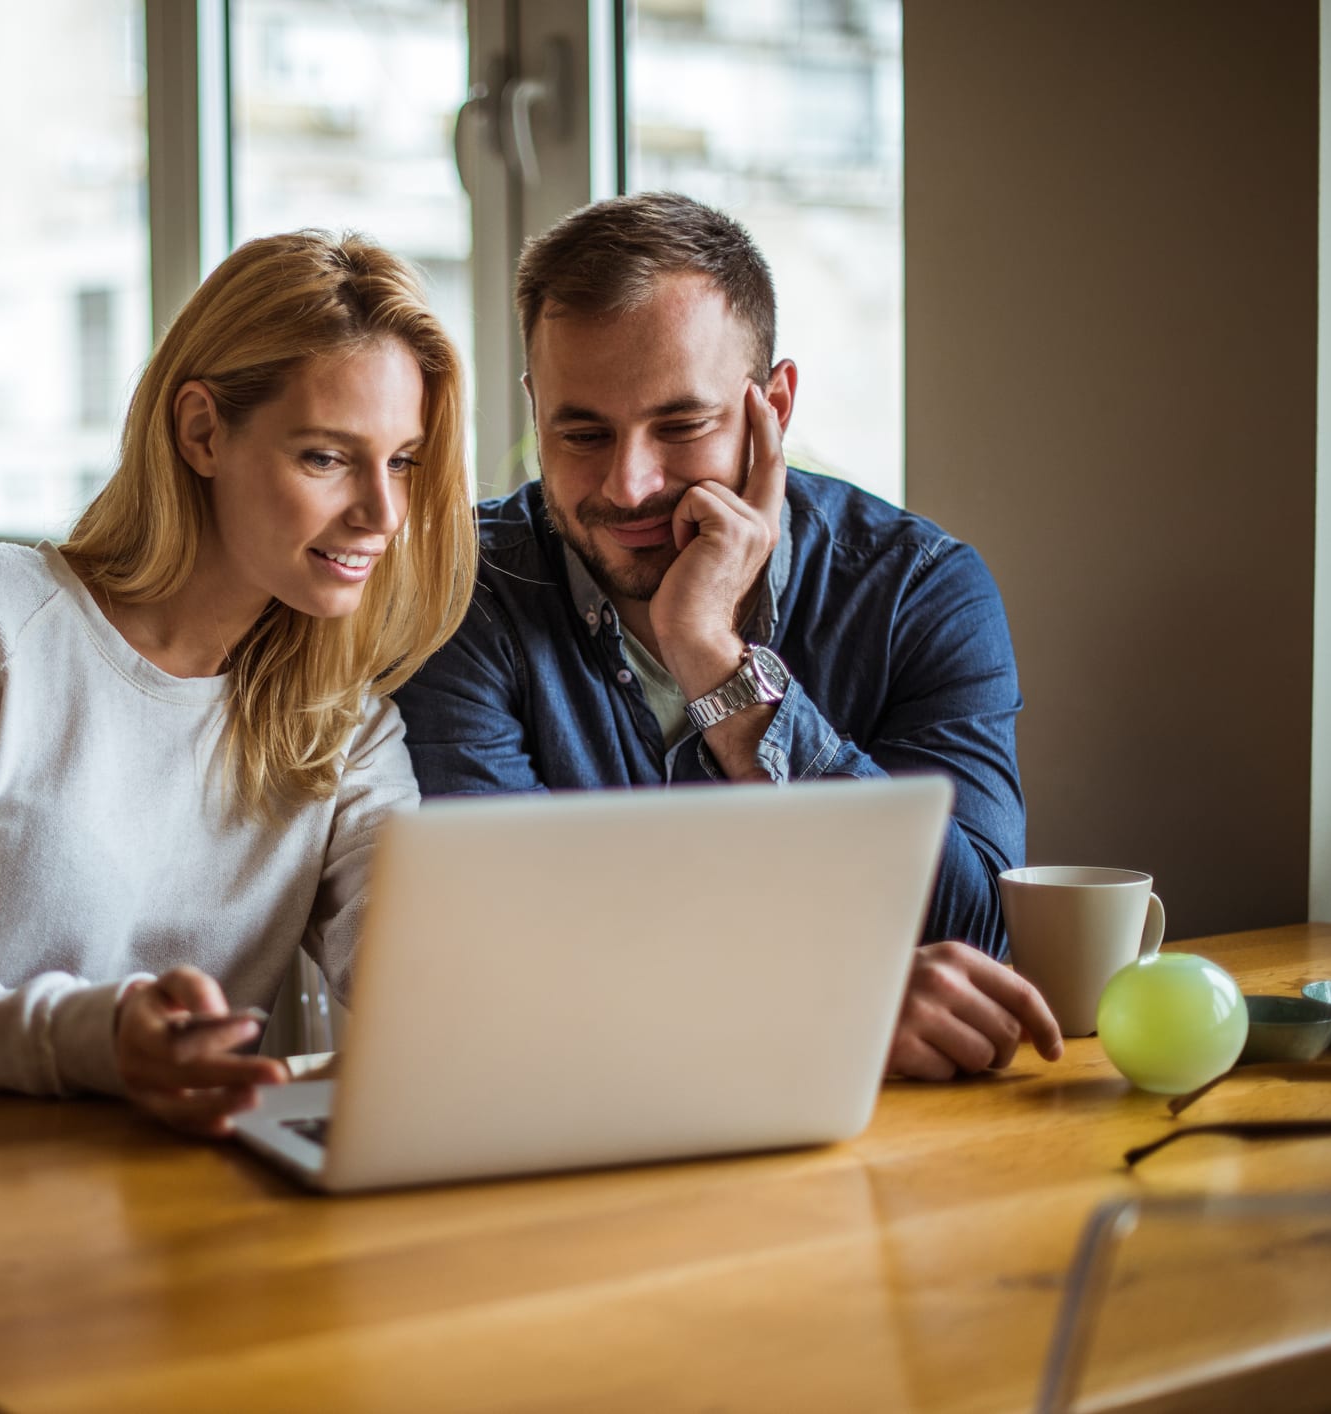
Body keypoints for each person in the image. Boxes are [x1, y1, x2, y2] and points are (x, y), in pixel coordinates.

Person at [0, 230, 475, 1411]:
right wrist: (96, 1039)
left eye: (406, 460)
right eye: (329, 456)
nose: (381, 510)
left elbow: (421, 988)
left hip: (141, 1251)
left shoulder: (345, 726)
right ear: (201, 432)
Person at [391, 193, 1062, 1084]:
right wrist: (828, 1002)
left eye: (680, 426)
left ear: (771, 405)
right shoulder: (459, 590)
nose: (628, 486)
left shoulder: (918, 591)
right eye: (581, 432)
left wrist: (713, 657)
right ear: (533, 407)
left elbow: (971, 933)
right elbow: (497, 948)